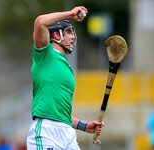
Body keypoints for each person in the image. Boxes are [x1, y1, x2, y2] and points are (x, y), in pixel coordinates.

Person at [26, 6, 104, 150]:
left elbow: (62, 114)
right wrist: (70, 14)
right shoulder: (44, 53)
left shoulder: (66, 67)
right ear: (56, 35)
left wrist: (85, 126)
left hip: (68, 134)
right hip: (46, 133)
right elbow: (40, 22)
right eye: (69, 32)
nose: (73, 37)